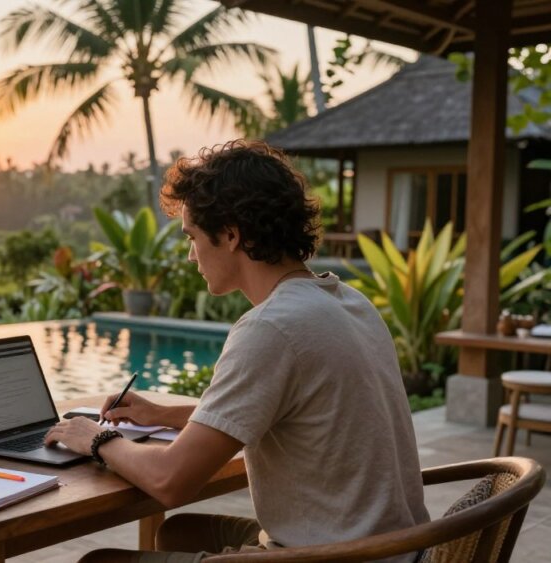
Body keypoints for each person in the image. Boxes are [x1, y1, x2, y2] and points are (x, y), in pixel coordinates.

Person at [44, 140, 429, 562]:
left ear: (230, 234)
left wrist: (97, 438)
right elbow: (288, 413)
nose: (191, 255)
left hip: (334, 557)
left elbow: (172, 482)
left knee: (98, 562)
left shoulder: (272, 327)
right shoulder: (346, 301)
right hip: (397, 548)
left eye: (192, 236)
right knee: (183, 533)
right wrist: (160, 415)